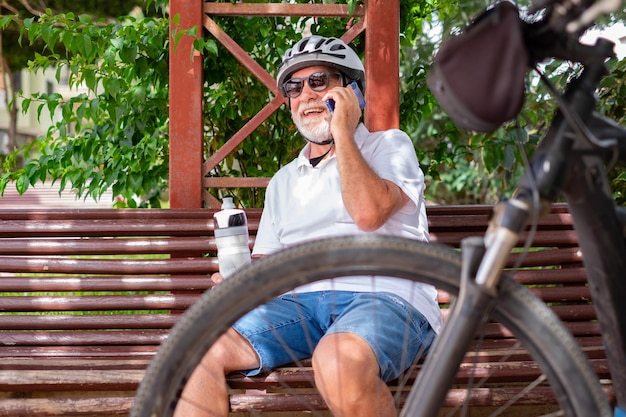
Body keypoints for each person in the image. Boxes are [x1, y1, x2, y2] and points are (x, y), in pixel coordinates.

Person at [175, 35, 442, 417]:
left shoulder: (390, 146)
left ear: (353, 92)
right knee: (196, 347)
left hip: (385, 296)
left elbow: (368, 213)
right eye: (294, 87)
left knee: (336, 359)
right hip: (300, 308)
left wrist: (343, 133)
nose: (306, 95)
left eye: (320, 82)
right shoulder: (284, 181)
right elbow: (268, 271)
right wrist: (240, 283)